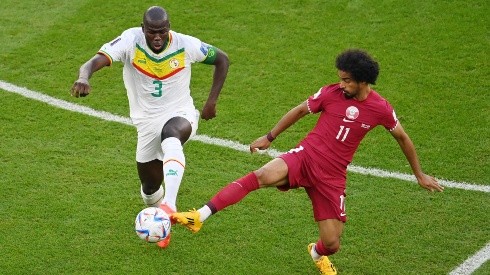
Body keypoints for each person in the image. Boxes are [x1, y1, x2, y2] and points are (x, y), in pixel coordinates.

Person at [172, 49, 443, 274]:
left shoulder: (380, 108)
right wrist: (269, 136)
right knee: (261, 175)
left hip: (332, 177)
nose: (341, 84)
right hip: (306, 156)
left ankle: (316, 253)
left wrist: (419, 174)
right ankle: (199, 216)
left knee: (332, 243)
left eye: (347, 80)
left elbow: (403, 138)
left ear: (362, 81)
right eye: (340, 79)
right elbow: (301, 110)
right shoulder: (330, 93)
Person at [71, 6, 229, 248]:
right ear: (143, 28)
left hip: (181, 113)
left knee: (171, 134)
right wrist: (84, 77)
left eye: (162, 32)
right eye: (152, 32)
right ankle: (162, 223)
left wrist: (211, 102)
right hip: (146, 123)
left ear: (169, 28)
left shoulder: (185, 44)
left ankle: (170, 205)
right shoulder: (130, 41)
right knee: (149, 189)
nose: (157, 37)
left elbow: (222, 59)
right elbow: (93, 62)